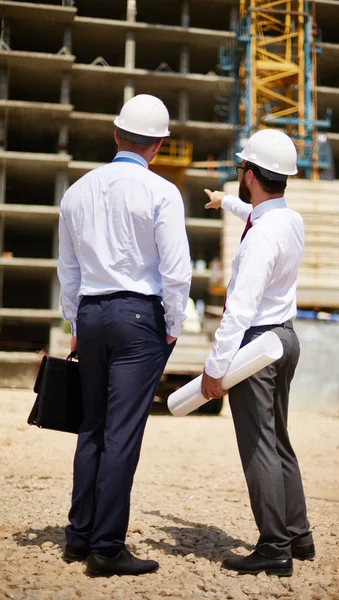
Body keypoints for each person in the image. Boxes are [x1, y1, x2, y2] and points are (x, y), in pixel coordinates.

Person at [57, 94, 192, 577]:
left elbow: (67, 270)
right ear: (158, 145)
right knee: (122, 434)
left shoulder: (76, 191)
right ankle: (108, 548)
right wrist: (172, 326)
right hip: (140, 318)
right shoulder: (162, 192)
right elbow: (177, 272)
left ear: (116, 134)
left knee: (91, 426)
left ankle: (79, 536)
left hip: (91, 315)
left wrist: (74, 324)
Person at [201, 129, 314, 577]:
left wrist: (214, 371)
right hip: (285, 340)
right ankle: (298, 535)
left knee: (259, 447)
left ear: (248, 174)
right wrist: (225, 202)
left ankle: (273, 548)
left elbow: (238, 312)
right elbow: (258, 214)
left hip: (256, 346)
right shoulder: (289, 221)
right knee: (280, 440)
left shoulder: (260, 240)